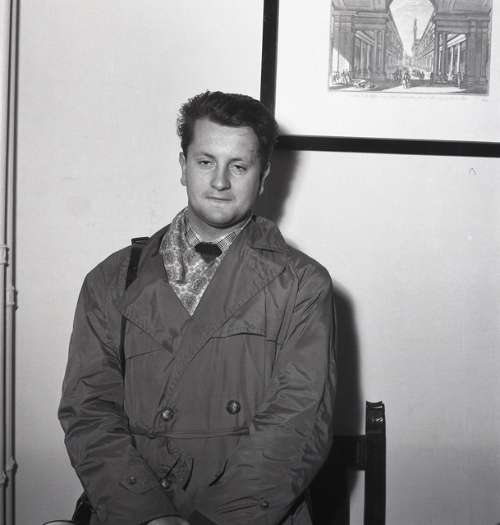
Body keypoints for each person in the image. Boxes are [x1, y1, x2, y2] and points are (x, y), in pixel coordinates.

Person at [59, 91, 336, 525]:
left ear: (263, 176)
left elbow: (296, 425)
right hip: (133, 509)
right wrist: (147, 514)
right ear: (182, 166)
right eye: (206, 161)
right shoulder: (111, 279)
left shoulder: (303, 284)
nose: (220, 181)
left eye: (239, 166)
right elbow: (88, 409)